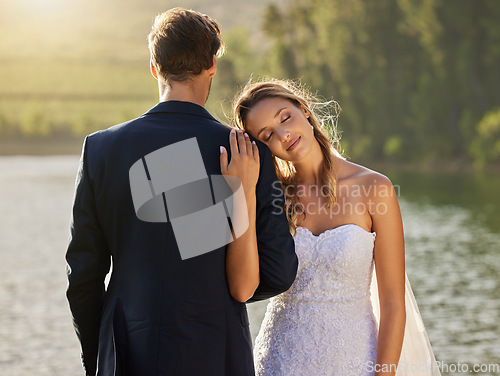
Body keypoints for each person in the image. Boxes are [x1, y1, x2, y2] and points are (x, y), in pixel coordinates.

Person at [65, 9, 297, 376]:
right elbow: (279, 271)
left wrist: (96, 357)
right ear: (211, 65)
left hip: (127, 351)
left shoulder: (101, 150)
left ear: (155, 67)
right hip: (215, 350)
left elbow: (83, 276)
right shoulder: (247, 152)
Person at [227, 79, 441, 375]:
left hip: (353, 361)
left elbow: (393, 303)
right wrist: (242, 192)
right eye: (267, 135)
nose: (284, 134)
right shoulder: (272, 198)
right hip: (279, 361)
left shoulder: (374, 188)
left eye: (285, 118)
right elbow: (243, 287)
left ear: (304, 110)